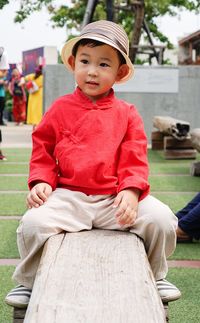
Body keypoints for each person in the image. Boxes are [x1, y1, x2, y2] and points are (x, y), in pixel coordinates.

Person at [5, 20, 181, 309]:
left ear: (120, 73)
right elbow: (43, 149)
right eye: (85, 61)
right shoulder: (60, 108)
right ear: (73, 63)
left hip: (116, 201)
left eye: (103, 64)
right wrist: (41, 181)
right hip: (70, 197)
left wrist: (132, 191)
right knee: (32, 223)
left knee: (161, 220)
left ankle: (155, 274)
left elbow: (135, 155)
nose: (92, 71)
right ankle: (29, 279)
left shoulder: (127, 113)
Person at [25, 65, 43, 130]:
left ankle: (34, 125)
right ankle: (38, 125)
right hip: (40, 95)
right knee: (39, 110)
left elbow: (25, 78)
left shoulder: (32, 76)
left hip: (32, 95)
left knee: (33, 110)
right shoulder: (43, 77)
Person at [0, 47, 9, 126]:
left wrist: (4, 82)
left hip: (2, 94)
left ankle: (1, 120)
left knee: (2, 108)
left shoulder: (3, 75)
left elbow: (5, 84)